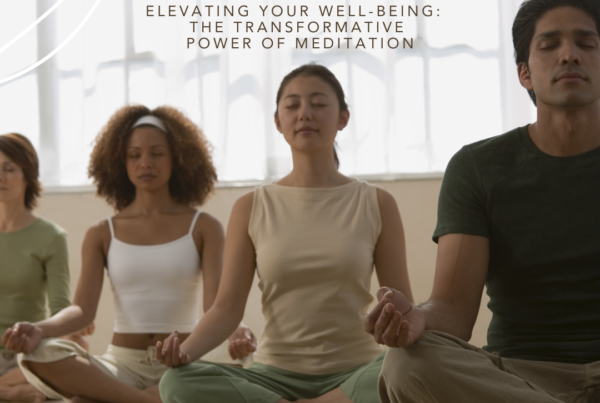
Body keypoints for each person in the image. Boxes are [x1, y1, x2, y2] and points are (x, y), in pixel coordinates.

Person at [365, 0, 600, 402]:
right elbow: (454, 313)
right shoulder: (479, 167)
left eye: (586, 43)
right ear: (524, 74)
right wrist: (417, 317)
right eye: (549, 45)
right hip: (519, 380)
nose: (569, 54)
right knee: (407, 363)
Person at [155, 63, 414, 403]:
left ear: (343, 118)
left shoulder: (377, 202)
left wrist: (400, 325)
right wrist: (184, 353)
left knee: (412, 366)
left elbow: (402, 307)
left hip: (357, 373)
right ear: (278, 121)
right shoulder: (251, 206)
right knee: (175, 382)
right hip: (274, 378)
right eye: (292, 105)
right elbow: (226, 308)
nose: (305, 113)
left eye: (319, 103)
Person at [1, 106, 254, 403]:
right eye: (134, 155)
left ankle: (117, 398)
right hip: (120, 365)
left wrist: (239, 329)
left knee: (239, 361)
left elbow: (217, 305)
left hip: (185, 359)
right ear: (120, 162)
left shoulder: (205, 227)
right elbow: (82, 309)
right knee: (38, 352)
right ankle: (149, 399)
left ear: (178, 157)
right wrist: (38, 329)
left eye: (157, 153)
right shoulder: (102, 233)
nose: (145, 162)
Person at [0, 133, 93, 403]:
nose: (1, 177)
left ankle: (12, 389)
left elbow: (62, 311)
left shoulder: (51, 237)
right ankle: (13, 392)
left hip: (27, 355)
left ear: (28, 174)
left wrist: (76, 327)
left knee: (76, 345)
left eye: (9, 168)